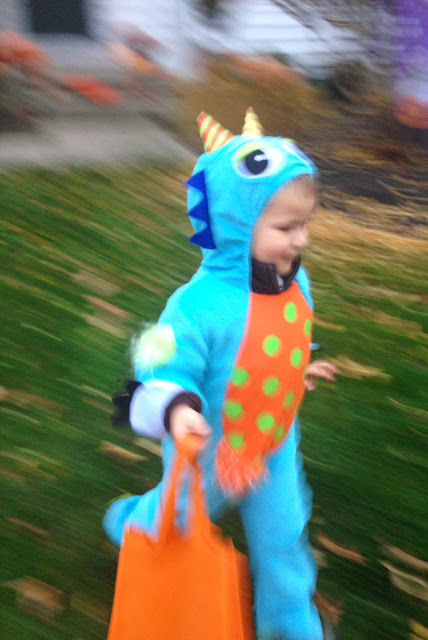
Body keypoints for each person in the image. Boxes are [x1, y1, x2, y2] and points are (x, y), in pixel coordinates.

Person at [105, 108, 338, 640]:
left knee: (285, 535)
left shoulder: (294, 284)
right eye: (285, 228)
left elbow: (278, 338)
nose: (300, 240)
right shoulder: (197, 304)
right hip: (206, 446)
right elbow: (161, 356)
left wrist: (299, 366)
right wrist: (174, 406)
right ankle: (134, 522)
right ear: (236, 224)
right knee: (179, 519)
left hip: (272, 440)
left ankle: (290, 623)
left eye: (304, 224)